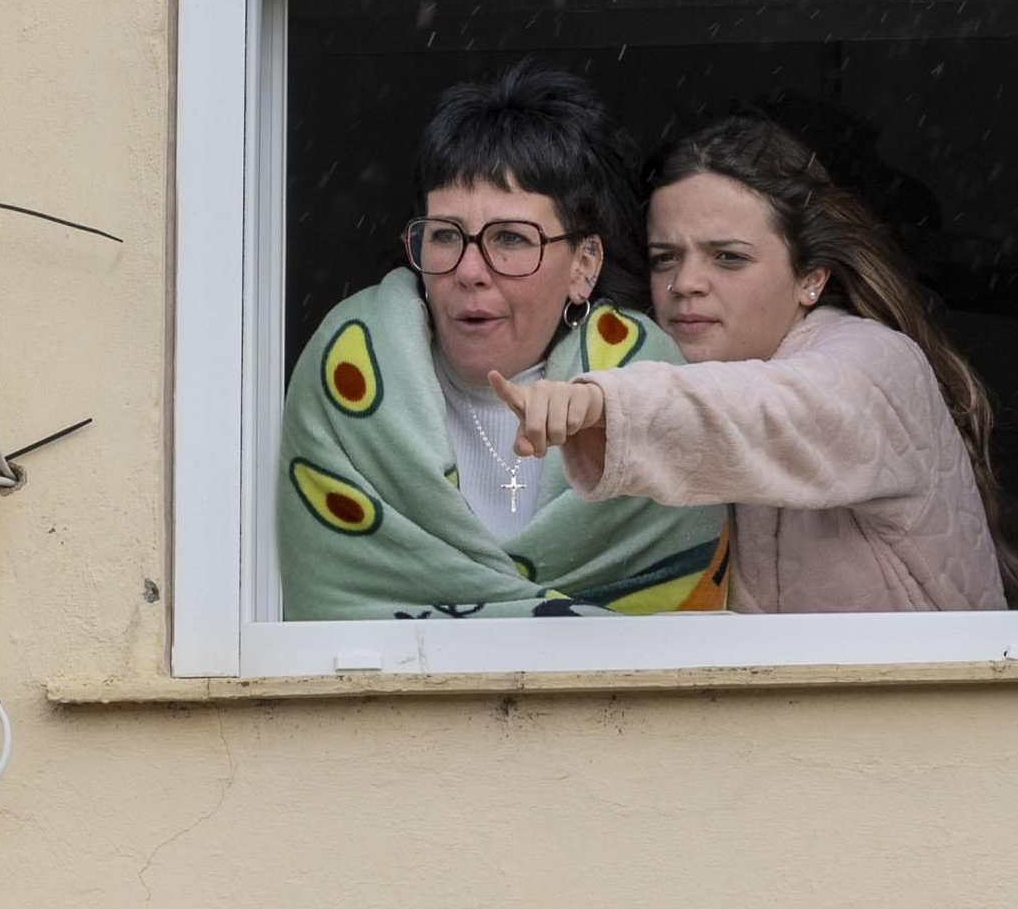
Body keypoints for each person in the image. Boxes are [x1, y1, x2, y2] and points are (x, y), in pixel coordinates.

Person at [490, 114, 1018, 614]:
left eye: (729, 257)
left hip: (930, 716)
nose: (686, 284)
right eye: (665, 258)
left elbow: (770, 412)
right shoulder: (675, 373)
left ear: (810, 278)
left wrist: (605, 401)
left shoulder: (875, 363)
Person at [278, 61, 730, 620]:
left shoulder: (648, 379)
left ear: (584, 264)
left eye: (510, 238)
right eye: (446, 236)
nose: (469, 270)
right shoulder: (341, 369)